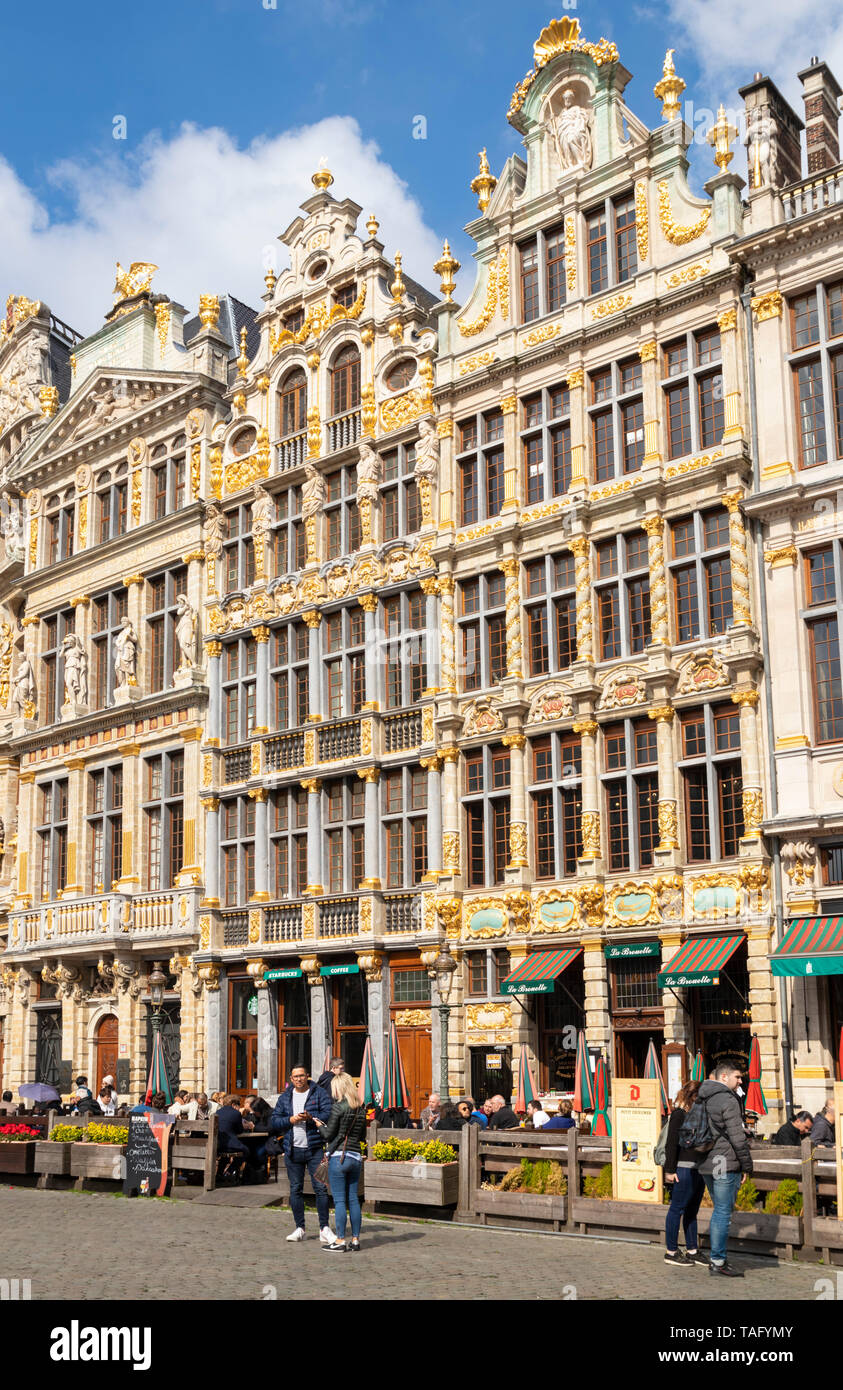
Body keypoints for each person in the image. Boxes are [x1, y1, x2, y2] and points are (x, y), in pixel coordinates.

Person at [697, 1058, 754, 1277]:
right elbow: (737, 1138)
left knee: (719, 1209)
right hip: (723, 1161)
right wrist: (747, 1166)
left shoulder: (702, 1097)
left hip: (706, 1161)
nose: (740, 1081)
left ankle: (718, 1258)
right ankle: (718, 1261)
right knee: (722, 1211)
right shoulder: (727, 1100)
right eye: (737, 1077)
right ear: (724, 1077)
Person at [269, 1065, 335, 1244]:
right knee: (295, 1189)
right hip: (293, 1149)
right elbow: (274, 1121)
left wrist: (309, 1117)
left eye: (301, 1076)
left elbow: (328, 1114)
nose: (299, 1079)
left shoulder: (319, 1093)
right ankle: (300, 1228)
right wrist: (290, 1120)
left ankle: (324, 1228)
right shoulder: (285, 1097)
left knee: (321, 1188)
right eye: (295, 1076)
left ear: (307, 1076)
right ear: (291, 1078)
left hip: (314, 1148)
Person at [662, 1080, 708, 1268]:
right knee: (677, 1209)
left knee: (692, 1210)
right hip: (683, 1168)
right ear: (694, 1096)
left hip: (699, 1168)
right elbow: (671, 1143)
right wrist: (670, 1171)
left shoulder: (701, 1116)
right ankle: (671, 1252)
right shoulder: (679, 1115)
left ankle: (692, 1250)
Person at [322, 1071, 368, 1252]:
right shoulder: (361, 1109)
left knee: (340, 1201)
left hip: (339, 1157)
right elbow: (362, 1135)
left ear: (338, 1088)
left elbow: (328, 1134)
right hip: (356, 1157)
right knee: (354, 1200)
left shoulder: (338, 1107)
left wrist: (319, 1125)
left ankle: (340, 1240)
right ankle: (355, 1240)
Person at [216, 1093, 252, 1183]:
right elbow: (239, 1131)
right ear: (233, 1104)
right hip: (229, 1144)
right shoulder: (236, 1113)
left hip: (218, 1144)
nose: (239, 1107)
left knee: (225, 1156)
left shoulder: (217, 1112)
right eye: (238, 1104)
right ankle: (229, 1172)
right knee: (246, 1151)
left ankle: (219, 1174)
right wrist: (246, 1126)